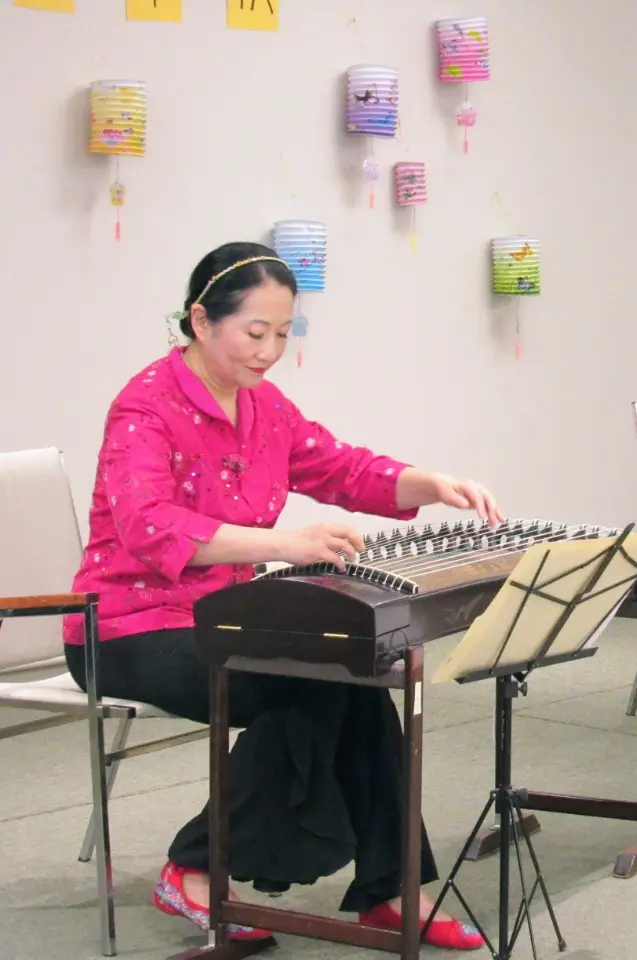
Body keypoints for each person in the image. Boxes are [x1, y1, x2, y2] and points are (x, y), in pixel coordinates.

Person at [62, 241, 499, 950]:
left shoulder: (265, 408)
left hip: (224, 617)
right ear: (202, 321)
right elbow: (148, 527)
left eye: (283, 334)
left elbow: (341, 468)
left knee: (351, 668)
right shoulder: (144, 407)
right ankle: (199, 866)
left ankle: (390, 891)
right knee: (315, 678)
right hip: (126, 629)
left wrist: (429, 482)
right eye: (254, 333)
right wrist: (283, 545)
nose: (269, 352)